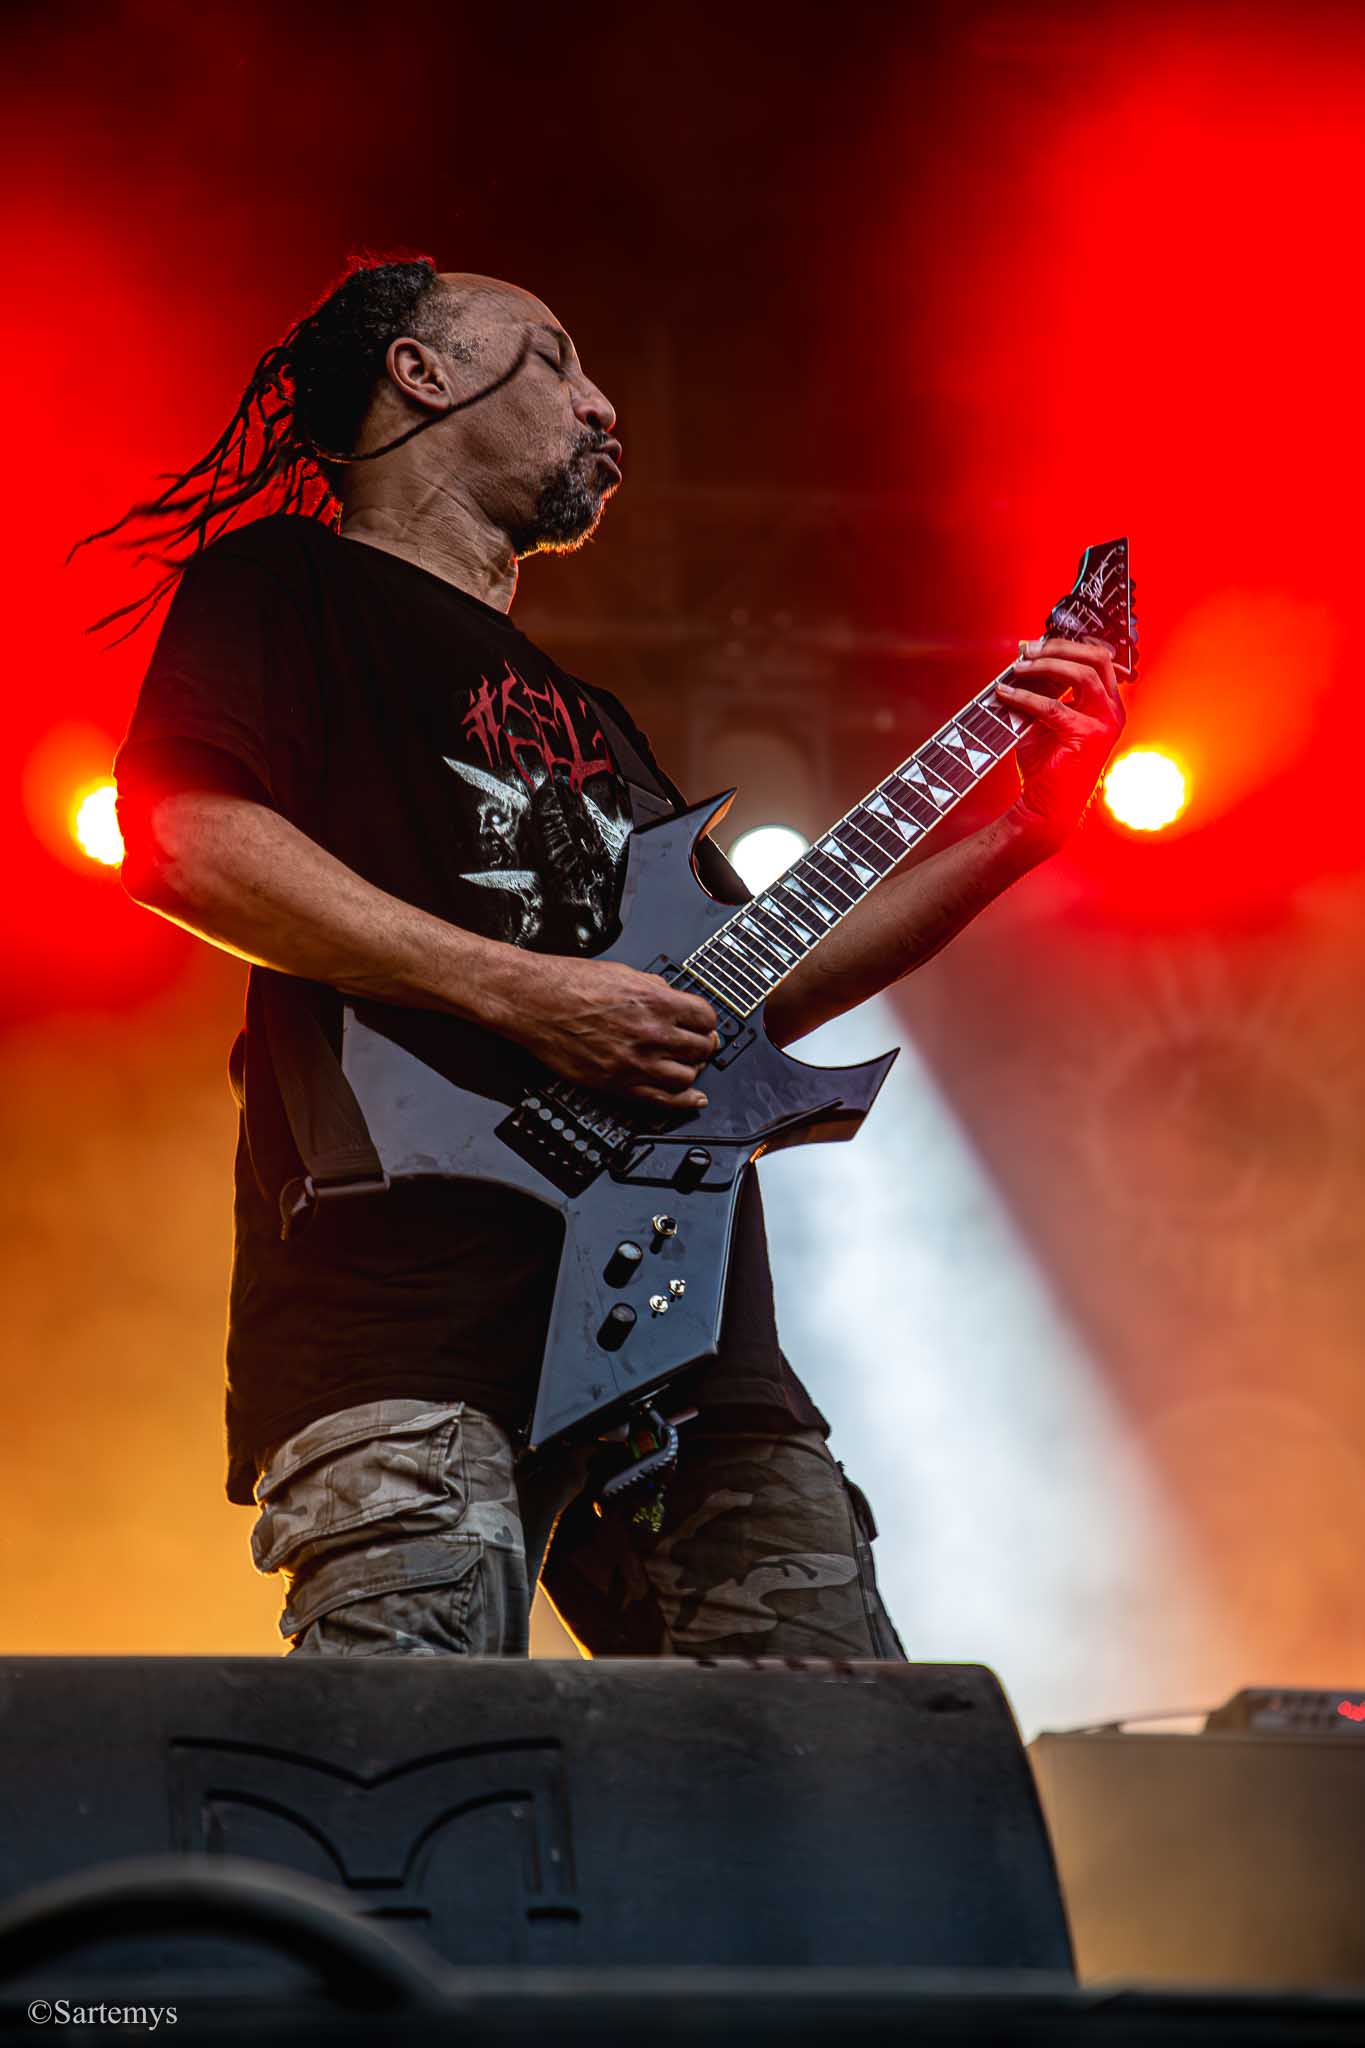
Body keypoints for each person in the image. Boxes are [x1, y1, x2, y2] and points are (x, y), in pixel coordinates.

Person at [99, 256, 1124, 1661]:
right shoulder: (286, 586)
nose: (603, 404)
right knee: (424, 1760)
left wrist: (1026, 829)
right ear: (422, 373)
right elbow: (185, 842)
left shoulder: (594, 716)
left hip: (687, 1332)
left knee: (832, 1756)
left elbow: (741, 998)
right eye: (556, 358)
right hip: (406, 1307)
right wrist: (527, 995)